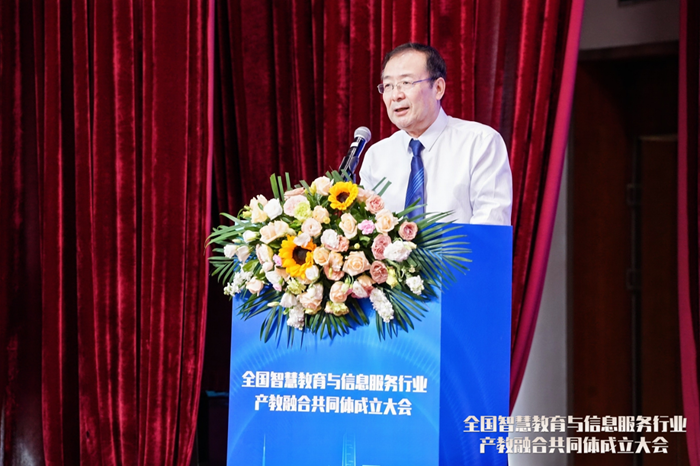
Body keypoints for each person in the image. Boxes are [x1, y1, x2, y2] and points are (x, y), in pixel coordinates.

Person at [359, 43, 513, 225]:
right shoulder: (377, 156)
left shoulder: (480, 143)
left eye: (406, 83)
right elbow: (365, 228)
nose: (395, 95)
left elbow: (490, 226)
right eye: (388, 86)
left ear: (438, 88)